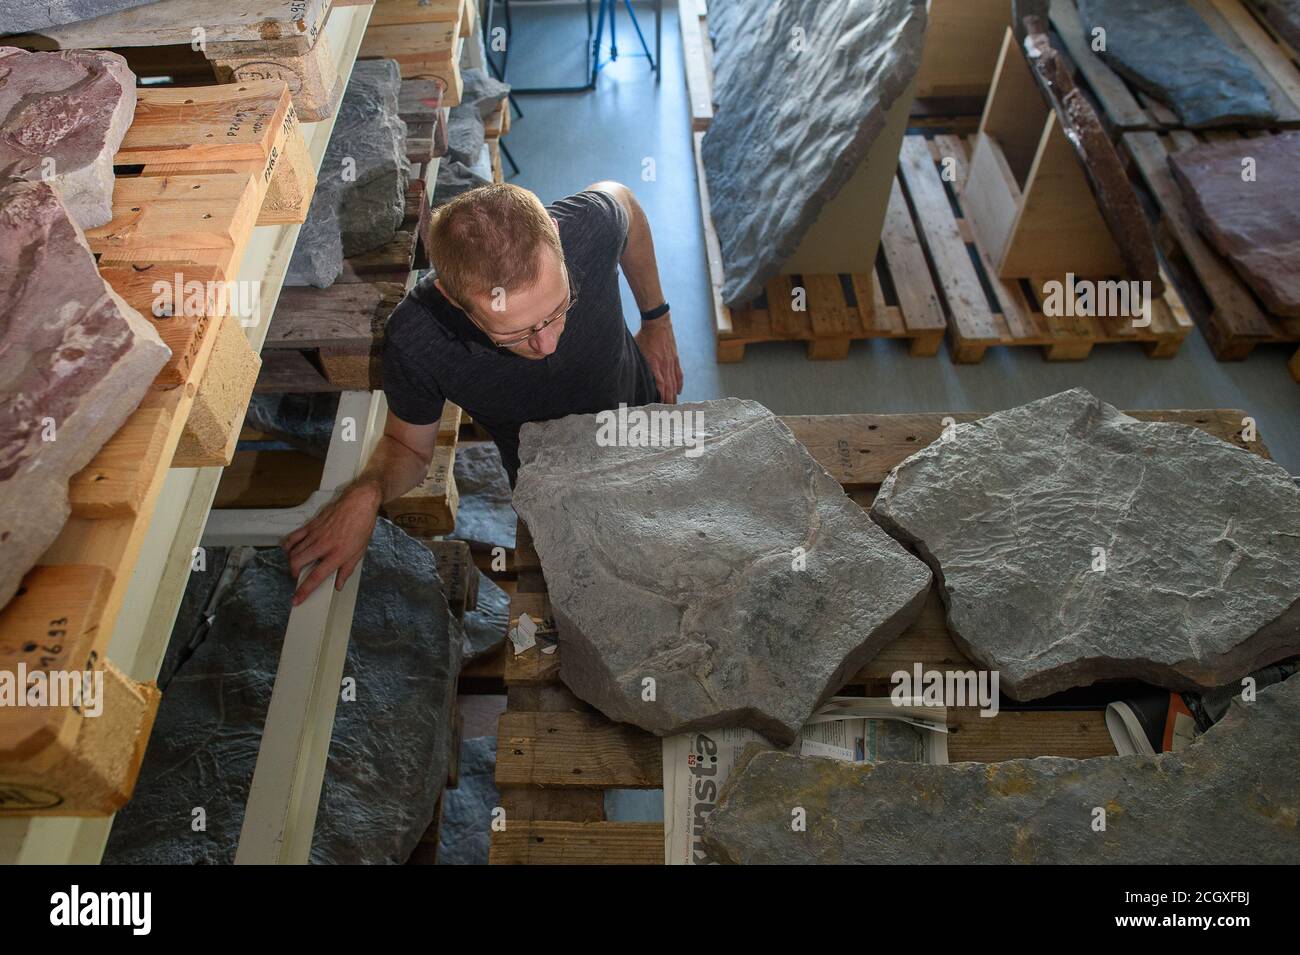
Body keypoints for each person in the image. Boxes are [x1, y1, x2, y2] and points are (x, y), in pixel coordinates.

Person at [281, 181, 683, 605]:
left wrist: (657, 319)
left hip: (640, 406)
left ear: (555, 233)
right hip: (549, 485)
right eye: (516, 334)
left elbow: (626, 205)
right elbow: (408, 448)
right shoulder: (418, 338)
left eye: (558, 308)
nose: (547, 344)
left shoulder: (589, 224)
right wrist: (369, 490)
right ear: (451, 299)